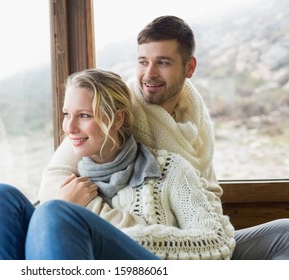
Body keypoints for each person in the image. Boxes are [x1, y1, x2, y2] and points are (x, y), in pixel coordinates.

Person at [38, 16, 289, 260]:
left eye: (163, 63)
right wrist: (127, 226)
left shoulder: (195, 118)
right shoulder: (112, 111)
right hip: (134, 239)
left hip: (186, 238)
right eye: (143, 62)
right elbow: (55, 179)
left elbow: (209, 189)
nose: (149, 74)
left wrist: (203, 231)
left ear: (189, 67)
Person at [0, 68, 235, 259]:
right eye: (66, 114)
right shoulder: (69, 183)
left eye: (83, 115)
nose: (69, 127)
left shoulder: (170, 171)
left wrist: (96, 222)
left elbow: (215, 243)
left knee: (54, 213)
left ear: (117, 119)